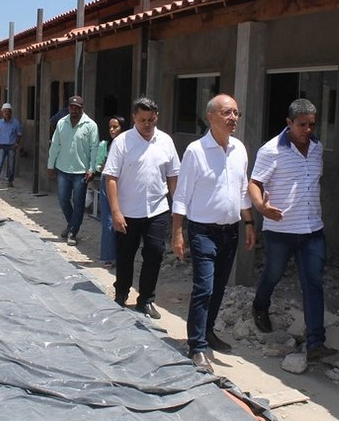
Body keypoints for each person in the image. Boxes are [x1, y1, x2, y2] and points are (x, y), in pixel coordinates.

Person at [249, 98, 338, 363]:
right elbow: (254, 183)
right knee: (273, 273)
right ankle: (260, 305)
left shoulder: (317, 148)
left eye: (312, 124)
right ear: (289, 123)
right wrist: (261, 209)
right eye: (302, 125)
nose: (308, 129)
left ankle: (315, 343)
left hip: (312, 229)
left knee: (314, 283)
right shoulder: (271, 151)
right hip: (281, 228)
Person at [171, 94, 256, 373]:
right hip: (202, 231)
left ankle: (208, 332)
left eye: (236, 113)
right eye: (227, 113)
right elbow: (182, 195)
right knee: (204, 288)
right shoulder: (196, 151)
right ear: (211, 117)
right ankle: (196, 346)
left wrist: (249, 223)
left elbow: (243, 190)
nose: (233, 118)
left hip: (230, 231)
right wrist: (178, 233)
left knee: (219, 288)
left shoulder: (239, 149)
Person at [104, 97, 180, 319]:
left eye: (151, 120)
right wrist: (115, 211)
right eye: (142, 120)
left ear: (156, 117)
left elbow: (173, 175)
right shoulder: (122, 142)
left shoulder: (165, 141)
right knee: (125, 255)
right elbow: (111, 178)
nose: (147, 125)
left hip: (157, 209)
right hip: (128, 211)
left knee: (154, 254)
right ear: (134, 118)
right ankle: (121, 294)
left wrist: (177, 206)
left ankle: (146, 299)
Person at [47, 95, 99, 246]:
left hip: (81, 172)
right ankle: (72, 225)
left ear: (82, 108)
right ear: (68, 107)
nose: (74, 110)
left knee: (78, 202)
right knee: (63, 200)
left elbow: (94, 148)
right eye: (72, 107)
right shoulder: (61, 123)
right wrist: (50, 165)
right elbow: (55, 144)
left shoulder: (90, 125)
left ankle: (73, 232)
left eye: (77, 107)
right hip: (63, 169)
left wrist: (92, 168)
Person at [96, 115, 126, 268]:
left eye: (116, 127)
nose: (112, 130)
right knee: (108, 219)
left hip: (123, 183)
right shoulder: (107, 145)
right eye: (110, 127)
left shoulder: (126, 144)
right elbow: (100, 165)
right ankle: (109, 256)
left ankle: (121, 254)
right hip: (107, 181)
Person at [0, 102, 23, 189]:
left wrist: (16, 144)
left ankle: (10, 181)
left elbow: (19, 134)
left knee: (11, 165)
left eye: (8, 111)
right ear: (2, 112)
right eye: (4, 111)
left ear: (11, 112)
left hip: (11, 146)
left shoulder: (15, 123)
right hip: (1, 146)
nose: (6, 113)